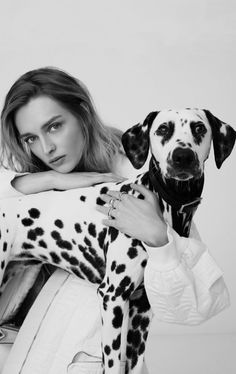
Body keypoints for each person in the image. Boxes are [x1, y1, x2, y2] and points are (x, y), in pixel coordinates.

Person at [0, 67, 230, 374]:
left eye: (54, 127)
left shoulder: (141, 185)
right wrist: (48, 180)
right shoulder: (28, 189)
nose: (46, 148)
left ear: (82, 113)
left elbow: (193, 307)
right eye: (31, 137)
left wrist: (158, 240)